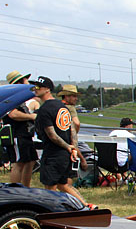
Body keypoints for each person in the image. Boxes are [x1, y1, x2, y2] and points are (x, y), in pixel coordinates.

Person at [31, 76, 93, 208]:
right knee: (64, 185)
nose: (35, 89)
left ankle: (52, 212)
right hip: (65, 154)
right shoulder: (63, 107)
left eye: (38, 87)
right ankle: (86, 205)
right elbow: (72, 130)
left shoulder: (44, 110)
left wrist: (68, 147)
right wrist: (73, 148)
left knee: (50, 187)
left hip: (53, 153)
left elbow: (52, 135)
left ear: (47, 89)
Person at [2, 70, 38, 186]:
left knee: (30, 161)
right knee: (18, 163)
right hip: (17, 134)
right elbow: (13, 114)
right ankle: (15, 188)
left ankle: (25, 188)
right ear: (20, 82)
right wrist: (31, 116)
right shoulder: (12, 99)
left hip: (26, 134)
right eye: (25, 80)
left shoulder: (21, 99)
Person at [57, 85, 87, 181]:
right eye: (74, 96)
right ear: (66, 96)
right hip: (69, 141)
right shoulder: (70, 108)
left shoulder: (58, 106)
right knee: (68, 175)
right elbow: (76, 123)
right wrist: (74, 133)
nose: (76, 99)